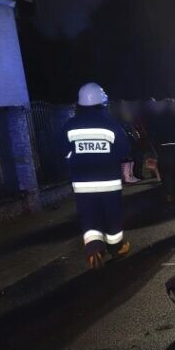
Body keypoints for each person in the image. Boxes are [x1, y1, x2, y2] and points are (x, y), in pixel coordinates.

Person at [64, 82, 132, 269]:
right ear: (103, 103)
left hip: (82, 185)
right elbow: (124, 150)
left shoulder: (70, 126)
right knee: (112, 216)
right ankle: (116, 248)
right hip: (109, 183)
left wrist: (73, 160)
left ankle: (94, 249)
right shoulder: (111, 125)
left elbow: (60, 151)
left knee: (89, 216)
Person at [147, 98, 175, 203]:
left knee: (167, 173)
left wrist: (156, 148)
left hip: (163, 149)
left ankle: (169, 195)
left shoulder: (157, 118)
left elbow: (153, 134)